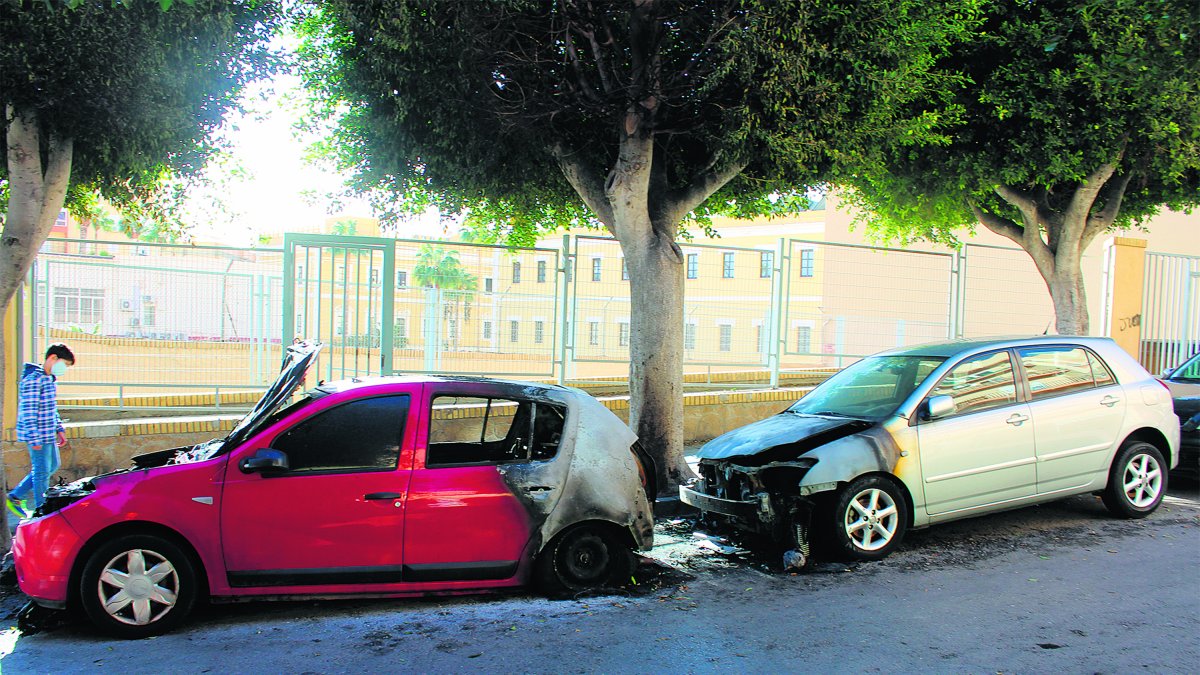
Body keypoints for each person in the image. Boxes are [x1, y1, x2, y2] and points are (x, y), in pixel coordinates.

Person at [7, 343, 75, 518]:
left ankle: (15, 496)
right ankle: (40, 510)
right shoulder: (34, 380)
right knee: (41, 471)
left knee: (51, 466)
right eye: (64, 365)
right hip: (38, 435)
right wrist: (34, 438)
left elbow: (51, 408)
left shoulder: (49, 379)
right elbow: (29, 411)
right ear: (53, 358)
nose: (64, 369)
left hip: (47, 433)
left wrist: (59, 428)